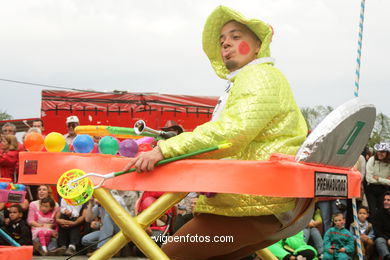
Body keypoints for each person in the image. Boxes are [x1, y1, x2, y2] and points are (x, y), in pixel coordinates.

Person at [123, 6, 310, 259]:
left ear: (257, 46)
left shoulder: (259, 76)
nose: (226, 45)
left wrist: (166, 148)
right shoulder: (250, 79)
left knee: (170, 255)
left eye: (235, 37)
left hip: (253, 204)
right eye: (222, 41)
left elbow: (229, 134)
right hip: (253, 203)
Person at [27, 185, 59, 252]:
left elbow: (57, 221)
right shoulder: (33, 204)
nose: (41, 191)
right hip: (38, 231)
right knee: (38, 240)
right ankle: (40, 249)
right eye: (39, 190)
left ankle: (51, 250)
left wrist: (51, 226)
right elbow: (30, 221)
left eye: (44, 190)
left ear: (48, 192)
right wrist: (43, 226)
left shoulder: (56, 205)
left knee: (52, 245)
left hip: (51, 232)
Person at [365, 142, 390, 216]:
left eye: (383, 152)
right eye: (378, 151)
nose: (380, 153)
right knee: (372, 210)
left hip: (384, 189)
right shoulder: (372, 160)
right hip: (371, 189)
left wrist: (379, 179)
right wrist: (385, 180)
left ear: (387, 153)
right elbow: (369, 178)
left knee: (383, 210)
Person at [372, 191, 390, 260]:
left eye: (388, 200)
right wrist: (387, 239)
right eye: (384, 200)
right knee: (379, 240)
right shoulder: (378, 214)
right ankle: (387, 258)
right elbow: (377, 231)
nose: (385, 202)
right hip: (384, 239)